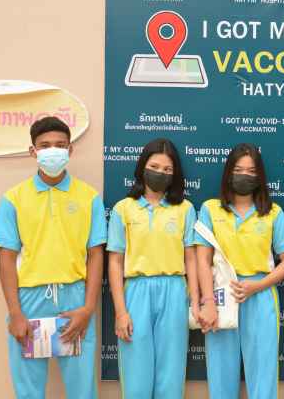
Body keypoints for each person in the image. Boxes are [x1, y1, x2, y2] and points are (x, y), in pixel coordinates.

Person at [0, 116, 107, 398]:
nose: (52, 150)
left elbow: (95, 256)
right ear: (33, 151)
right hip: (29, 300)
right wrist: (15, 313)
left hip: (75, 298)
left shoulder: (89, 197)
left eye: (59, 144)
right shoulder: (13, 198)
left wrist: (88, 308)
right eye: (44, 146)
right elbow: (6, 258)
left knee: (82, 389)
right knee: (28, 390)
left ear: (70, 150)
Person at [196, 143, 284, 399]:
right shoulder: (210, 209)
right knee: (220, 374)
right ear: (228, 172)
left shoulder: (272, 213)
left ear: (260, 176)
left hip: (261, 294)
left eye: (251, 171)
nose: (244, 176)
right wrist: (208, 302)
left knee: (263, 375)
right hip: (221, 294)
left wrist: (258, 286)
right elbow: (202, 260)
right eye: (238, 170)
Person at [107, 138, 198, 399]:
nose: (160, 173)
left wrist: (194, 299)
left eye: (167, 169)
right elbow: (115, 262)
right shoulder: (123, 209)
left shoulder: (185, 209)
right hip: (136, 292)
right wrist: (120, 311)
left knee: (171, 375)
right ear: (142, 168)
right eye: (155, 166)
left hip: (174, 291)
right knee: (136, 376)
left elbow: (191, 258)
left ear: (175, 174)